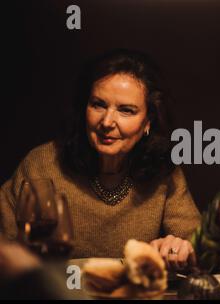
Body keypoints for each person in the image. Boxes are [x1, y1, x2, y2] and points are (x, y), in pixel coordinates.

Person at [0, 49, 200, 270]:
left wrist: (181, 249)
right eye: (98, 104)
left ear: (148, 122)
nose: (106, 122)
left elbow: (201, 250)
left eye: (126, 110)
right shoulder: (43, 164)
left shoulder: (163, 170)